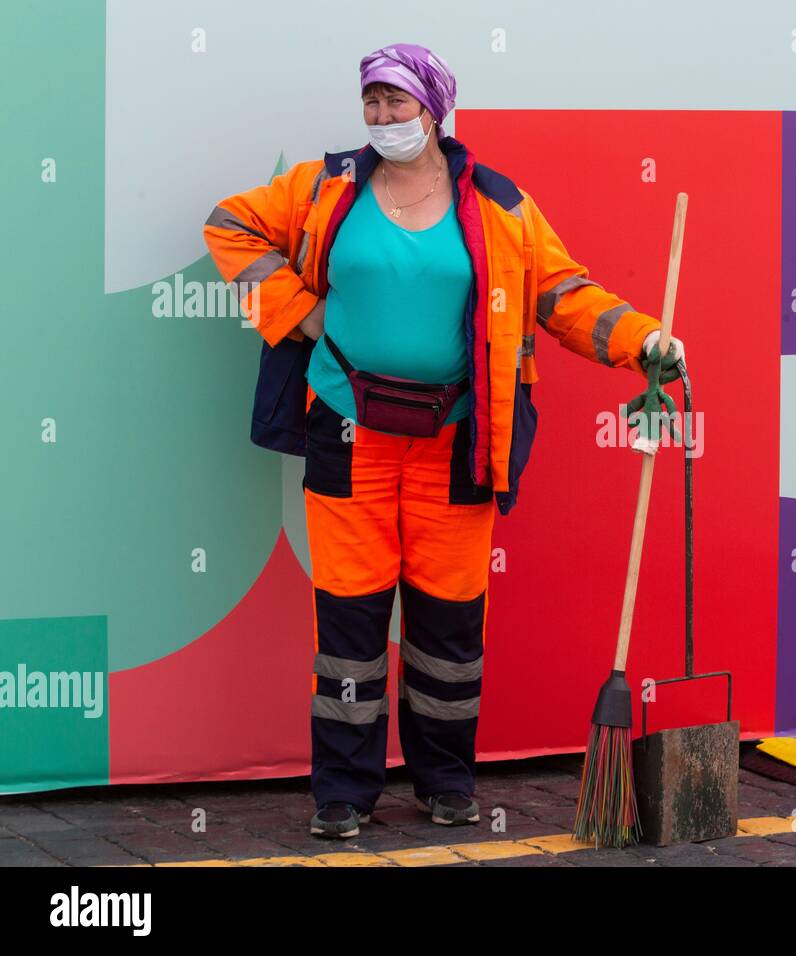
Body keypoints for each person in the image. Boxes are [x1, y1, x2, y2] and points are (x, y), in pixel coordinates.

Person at [202, 43, 686, 839]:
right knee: (350, 628)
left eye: (399, 102)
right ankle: (344, 795)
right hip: (348, 432)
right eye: (373, 102)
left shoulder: (499, 205)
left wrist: (643, 342)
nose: (384, 117)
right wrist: (297, 313)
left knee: (449, 627)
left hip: (459, 440)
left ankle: (446, 784)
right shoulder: (326, 188)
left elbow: (564, 295)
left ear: (435, 108)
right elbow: (230, 225)